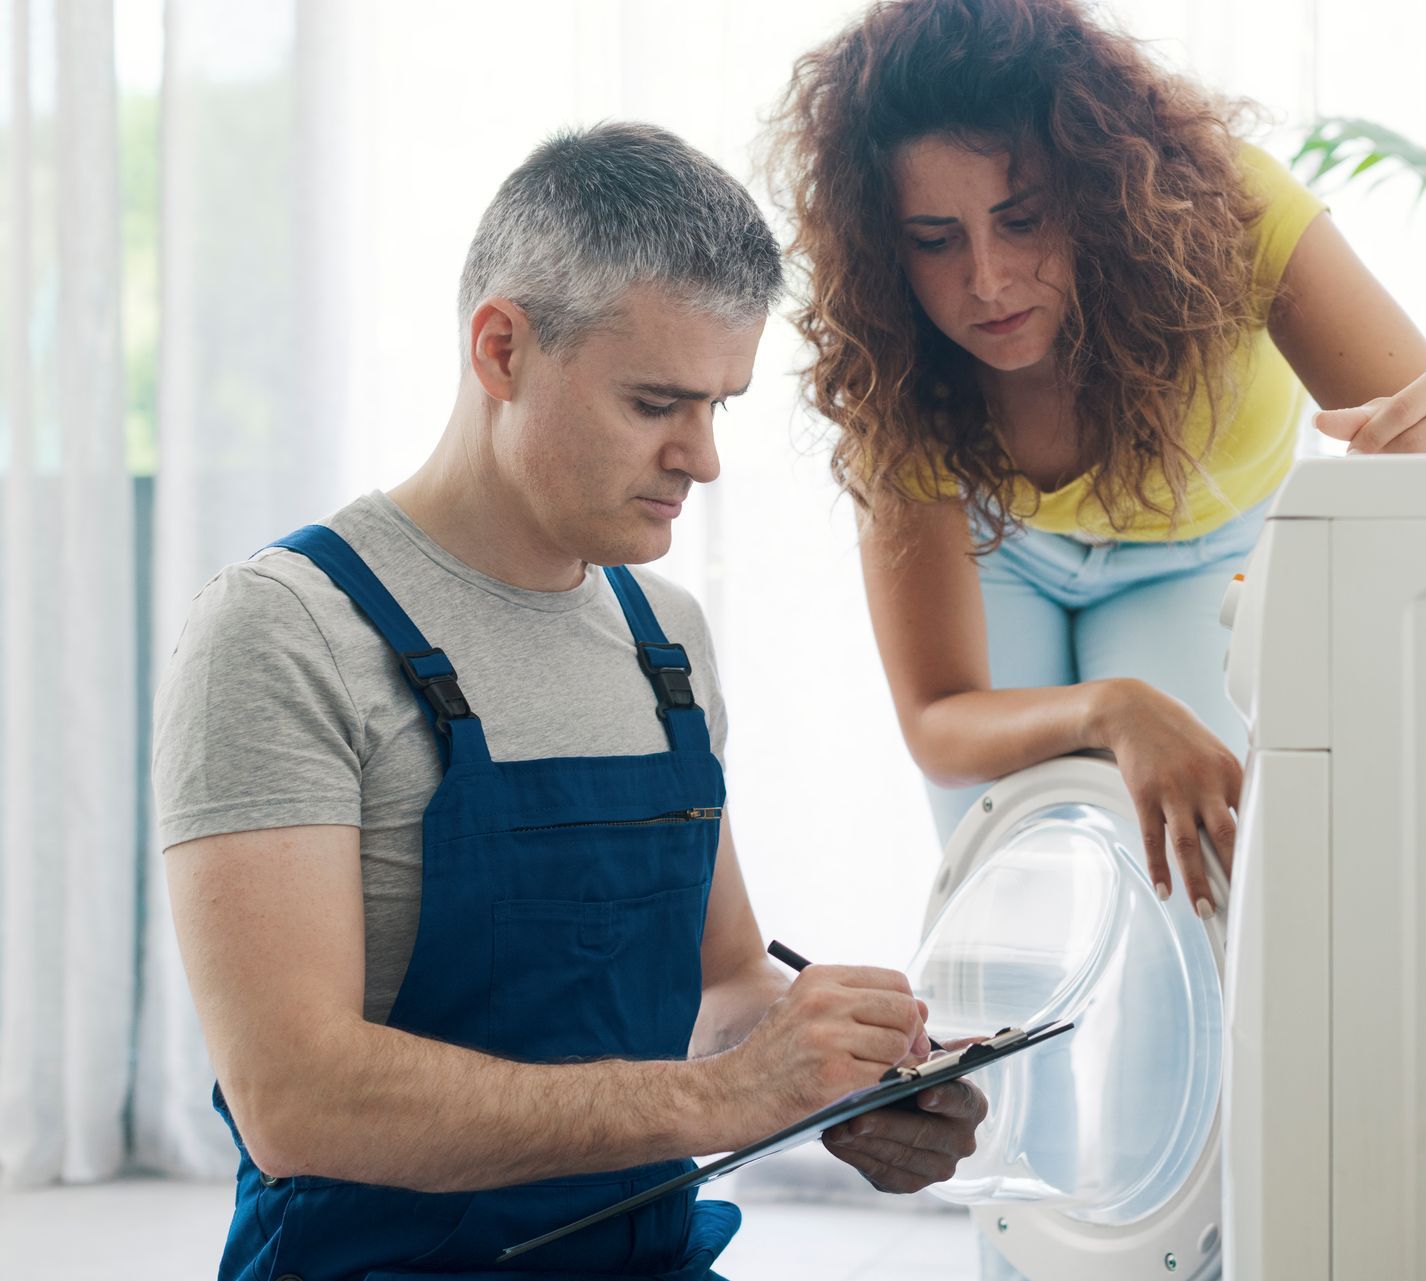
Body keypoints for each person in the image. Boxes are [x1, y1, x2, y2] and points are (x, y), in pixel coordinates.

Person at [154, 121, 985, 1281]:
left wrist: (837, 1082)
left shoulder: (667, 638)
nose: (701, 458)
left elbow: (725, 980)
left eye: (718, 405)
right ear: (502, 349)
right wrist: (716, 1098)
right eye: (655, 404)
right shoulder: (283, 630)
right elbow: (296, 1097)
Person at [768, 0, 1426, 918]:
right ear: (886, 245)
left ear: (1096, 184)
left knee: (1190, 889)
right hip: (1000, 552)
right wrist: (1107, 706)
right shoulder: (889, 353)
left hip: (1201, 555)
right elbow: (938, 719)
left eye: (1023, 218)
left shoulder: (1234, 212)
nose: (987, 280)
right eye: (934, 240)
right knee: (1002, 900)